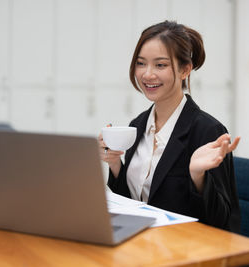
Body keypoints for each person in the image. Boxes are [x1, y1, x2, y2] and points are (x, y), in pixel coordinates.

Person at [98, 20, 241, 232]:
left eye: (160, 65)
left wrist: (198, 177)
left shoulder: (208, 131)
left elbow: (224, 223)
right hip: (140, 245)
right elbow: (131, 205)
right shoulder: (137, 126)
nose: (147, 74)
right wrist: (115, 164)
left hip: (183, 251)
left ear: (185, 70)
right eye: (141, 63)